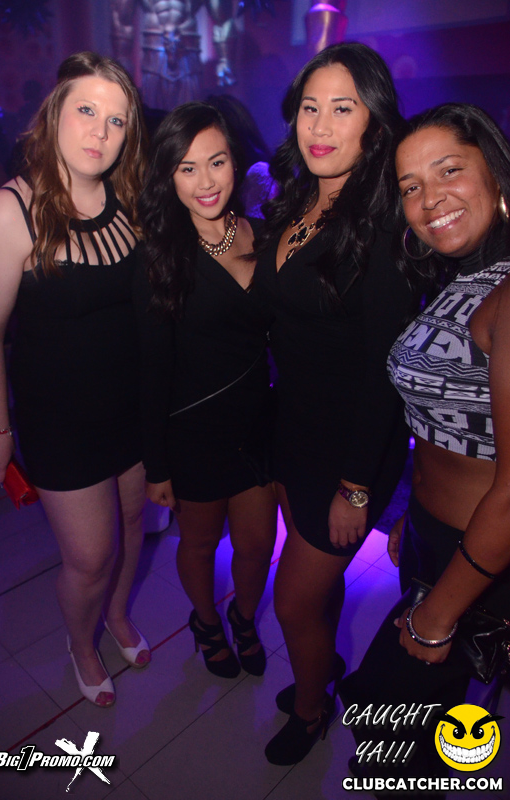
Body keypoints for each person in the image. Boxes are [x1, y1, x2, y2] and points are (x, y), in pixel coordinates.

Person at [340, 103, 510, 790]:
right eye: (410, 186)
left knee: (388, 725)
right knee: (404, 727)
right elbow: (449, 423)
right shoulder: (463, 275)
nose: (428, 198)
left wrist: (438, 613)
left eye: (448, 171)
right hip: (438, 541)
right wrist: (417, 516)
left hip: (483, 563)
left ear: (494, 172)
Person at [254, 42, 412, 764]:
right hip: (293, 429)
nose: (319, 125)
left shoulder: (382, 227)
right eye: (309, 108)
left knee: (292, 600)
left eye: (341, 109)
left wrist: (355, 486)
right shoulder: (295, 201)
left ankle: (312, 709)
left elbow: (385, 372)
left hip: (351, 449)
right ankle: (324, 664)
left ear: (373, 123)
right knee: (313, 593)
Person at [0, 52, 150, 708]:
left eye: (116, 120)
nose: (100, 132)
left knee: (133, 527)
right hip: (60, 422)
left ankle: (118, 616)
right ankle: (82, 643)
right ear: (54, 112)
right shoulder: (8, 212)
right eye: (86, 110)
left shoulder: (128, 200)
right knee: (90, 557)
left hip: (130, 407)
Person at [136, 102, 277, 679]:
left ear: (235, 162)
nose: (205, 181)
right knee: (198, 543)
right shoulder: (160, 256)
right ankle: (206, 621)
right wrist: (156, 464)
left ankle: (243, 617)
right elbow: (150, 370)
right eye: (187, 168)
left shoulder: (263, 234)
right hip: (193, 430)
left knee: (257, 544)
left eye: (216, 162)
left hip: (258, 423)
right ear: (168, 177)